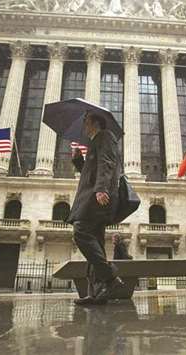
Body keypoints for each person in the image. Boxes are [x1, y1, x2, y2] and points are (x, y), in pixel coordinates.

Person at [67, 112, 123, 306]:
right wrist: (78, 160)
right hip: (93, 196)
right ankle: (98, 292)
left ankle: (110, 279)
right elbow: (90, 171)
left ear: (96, 122)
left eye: (86, 120)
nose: (83, 123)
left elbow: (107, 164)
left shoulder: (105, 137)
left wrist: (101, 189)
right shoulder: (95, 141)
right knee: (96, 242)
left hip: (97, 197)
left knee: (81, 231)